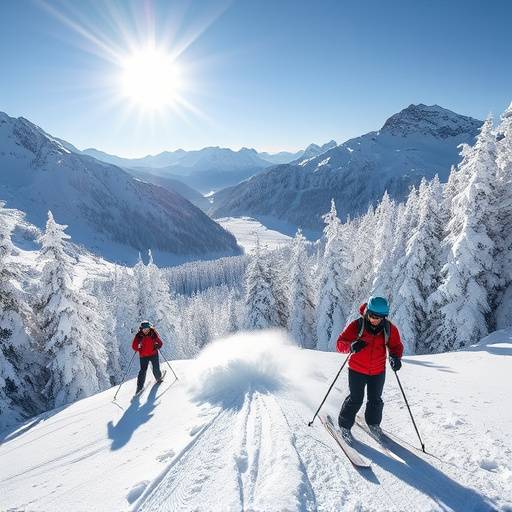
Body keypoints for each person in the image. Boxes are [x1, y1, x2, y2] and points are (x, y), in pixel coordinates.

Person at [336, 296, 404, 438]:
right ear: (367, 312)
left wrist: (395, 357)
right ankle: (344, 425)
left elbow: (396, 346)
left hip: (378, 370)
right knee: (356, 398)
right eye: (372, 315)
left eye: (378, 317)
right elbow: (340, 343)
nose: (374, 319)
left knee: (375, 399)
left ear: (383, 317)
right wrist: (351, 346)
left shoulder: (389, 329)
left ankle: (373, 423)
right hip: (357, 369)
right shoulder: (357, 325)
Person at [132, 321, 164, 394]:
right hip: (143, 356)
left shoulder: (153, 334)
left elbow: (160, 343)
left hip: (153, 354)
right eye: (144, 329)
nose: (146, 330)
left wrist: (157, 346)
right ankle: (139, 387)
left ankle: (158, 378)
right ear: (141, 329)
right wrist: (138, 347)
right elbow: (134, 346)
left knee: (156, 368)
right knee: (142, 371)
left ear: (150, 328)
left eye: (147, 329)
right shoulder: (138, 336)